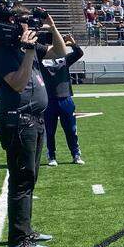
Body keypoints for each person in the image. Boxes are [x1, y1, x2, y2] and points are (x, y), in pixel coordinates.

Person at [0, 4, 67, 247]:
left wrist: (52, 25)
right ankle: (17, 241)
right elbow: (18, 83)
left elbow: (60, 51)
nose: (30, 27)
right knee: (21, 181)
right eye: (26, 22)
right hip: (18, 121)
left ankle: (26, 229)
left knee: (29, 179)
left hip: (34, 120)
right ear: (13, 22)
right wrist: (29, 51)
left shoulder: (22, 47)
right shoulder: (1, 51)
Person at [39, 30, 85, 166]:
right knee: (49, 131)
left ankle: (76, 154)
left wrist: (73, 44)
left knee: (71, 130)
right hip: (48, 100)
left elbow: (79, 53)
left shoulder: (64, 59)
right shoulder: (39, 59)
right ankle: (51, 156)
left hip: (65, 98)